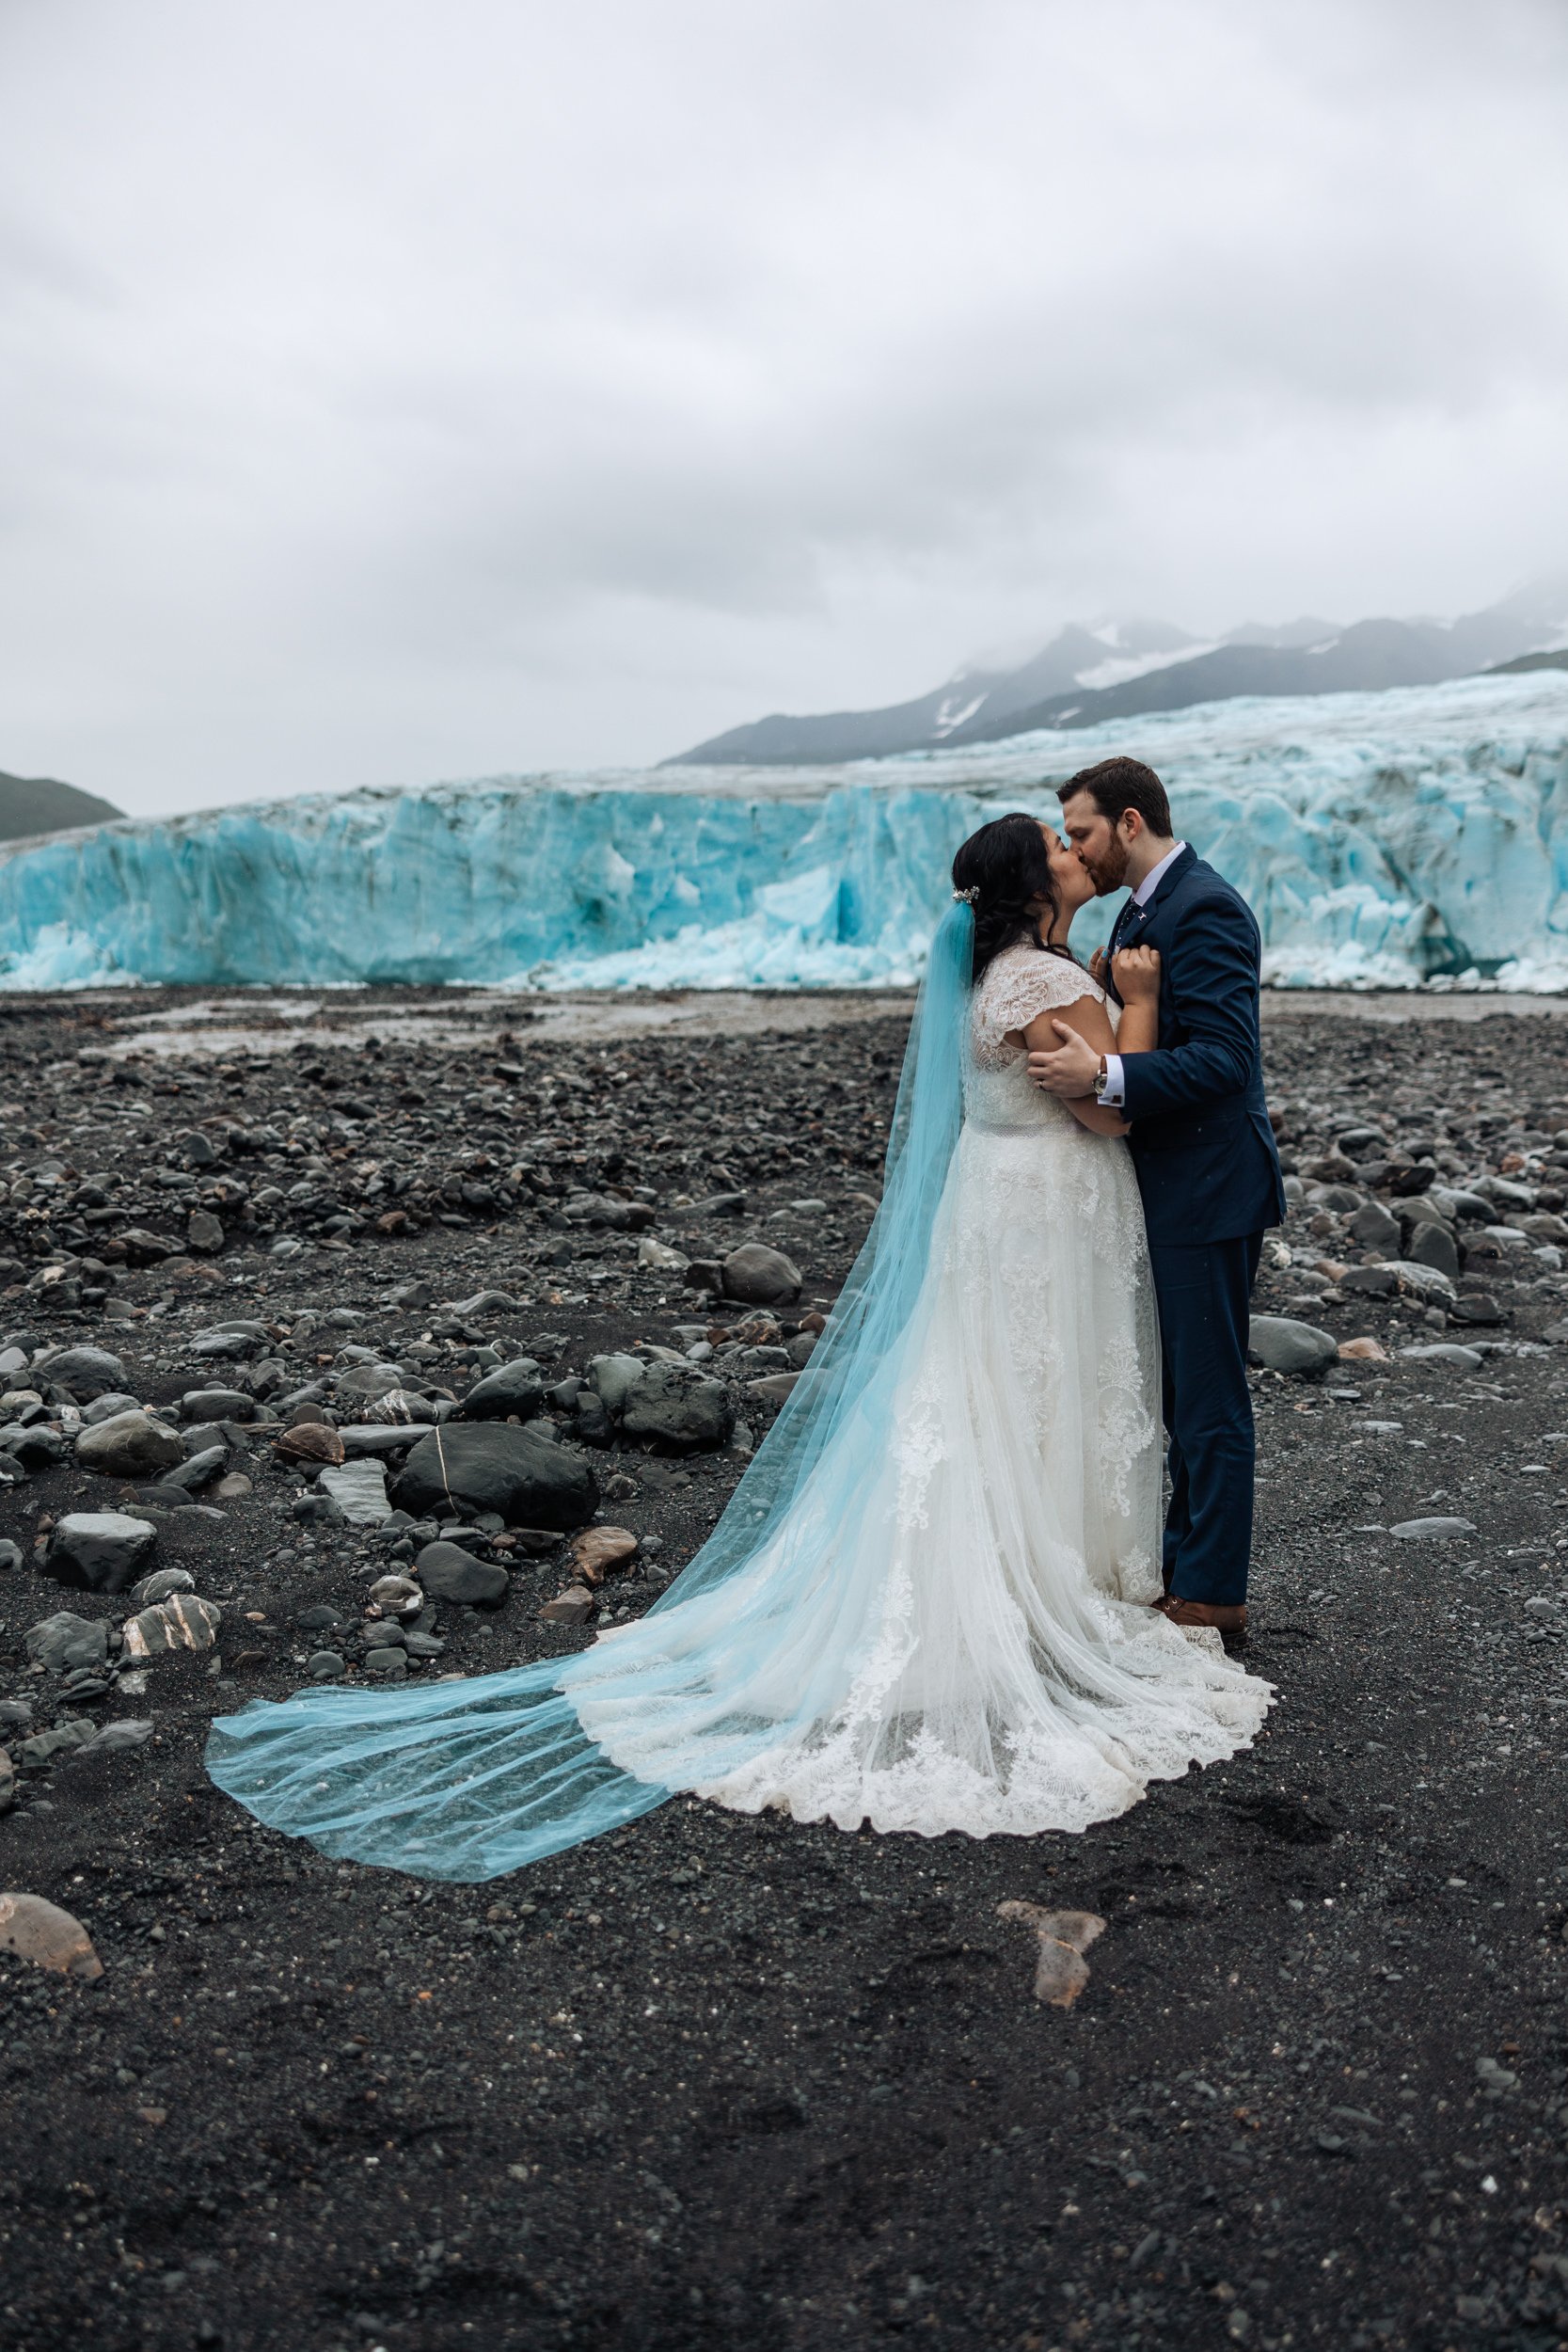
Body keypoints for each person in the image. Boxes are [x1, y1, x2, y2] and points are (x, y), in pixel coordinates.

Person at [207, 813, 1271, 1882]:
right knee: (1046, 1384)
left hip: (990, 1206)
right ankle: (1044, 1579)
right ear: (1025, 881)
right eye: (1053, 843)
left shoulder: (992, 977)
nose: (1070, 851)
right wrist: (1135, 1005)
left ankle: (1016, 1559)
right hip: (1045, 1205)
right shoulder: (1046, 983)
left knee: (986, 1387)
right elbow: (1108, 1116)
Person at [1029, 756, 1286, 1642]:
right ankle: (1182, 1566)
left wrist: (1103, 1071)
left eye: (1083, 834)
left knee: (1207, 1398)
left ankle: (1211, 1592)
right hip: (1173, 1185)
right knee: (1178, 1389)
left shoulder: (1203, 906)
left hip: (1208, 1187)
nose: (1074, 851)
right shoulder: (1145, 909)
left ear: (1130, 824)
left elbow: (1224, 1058)